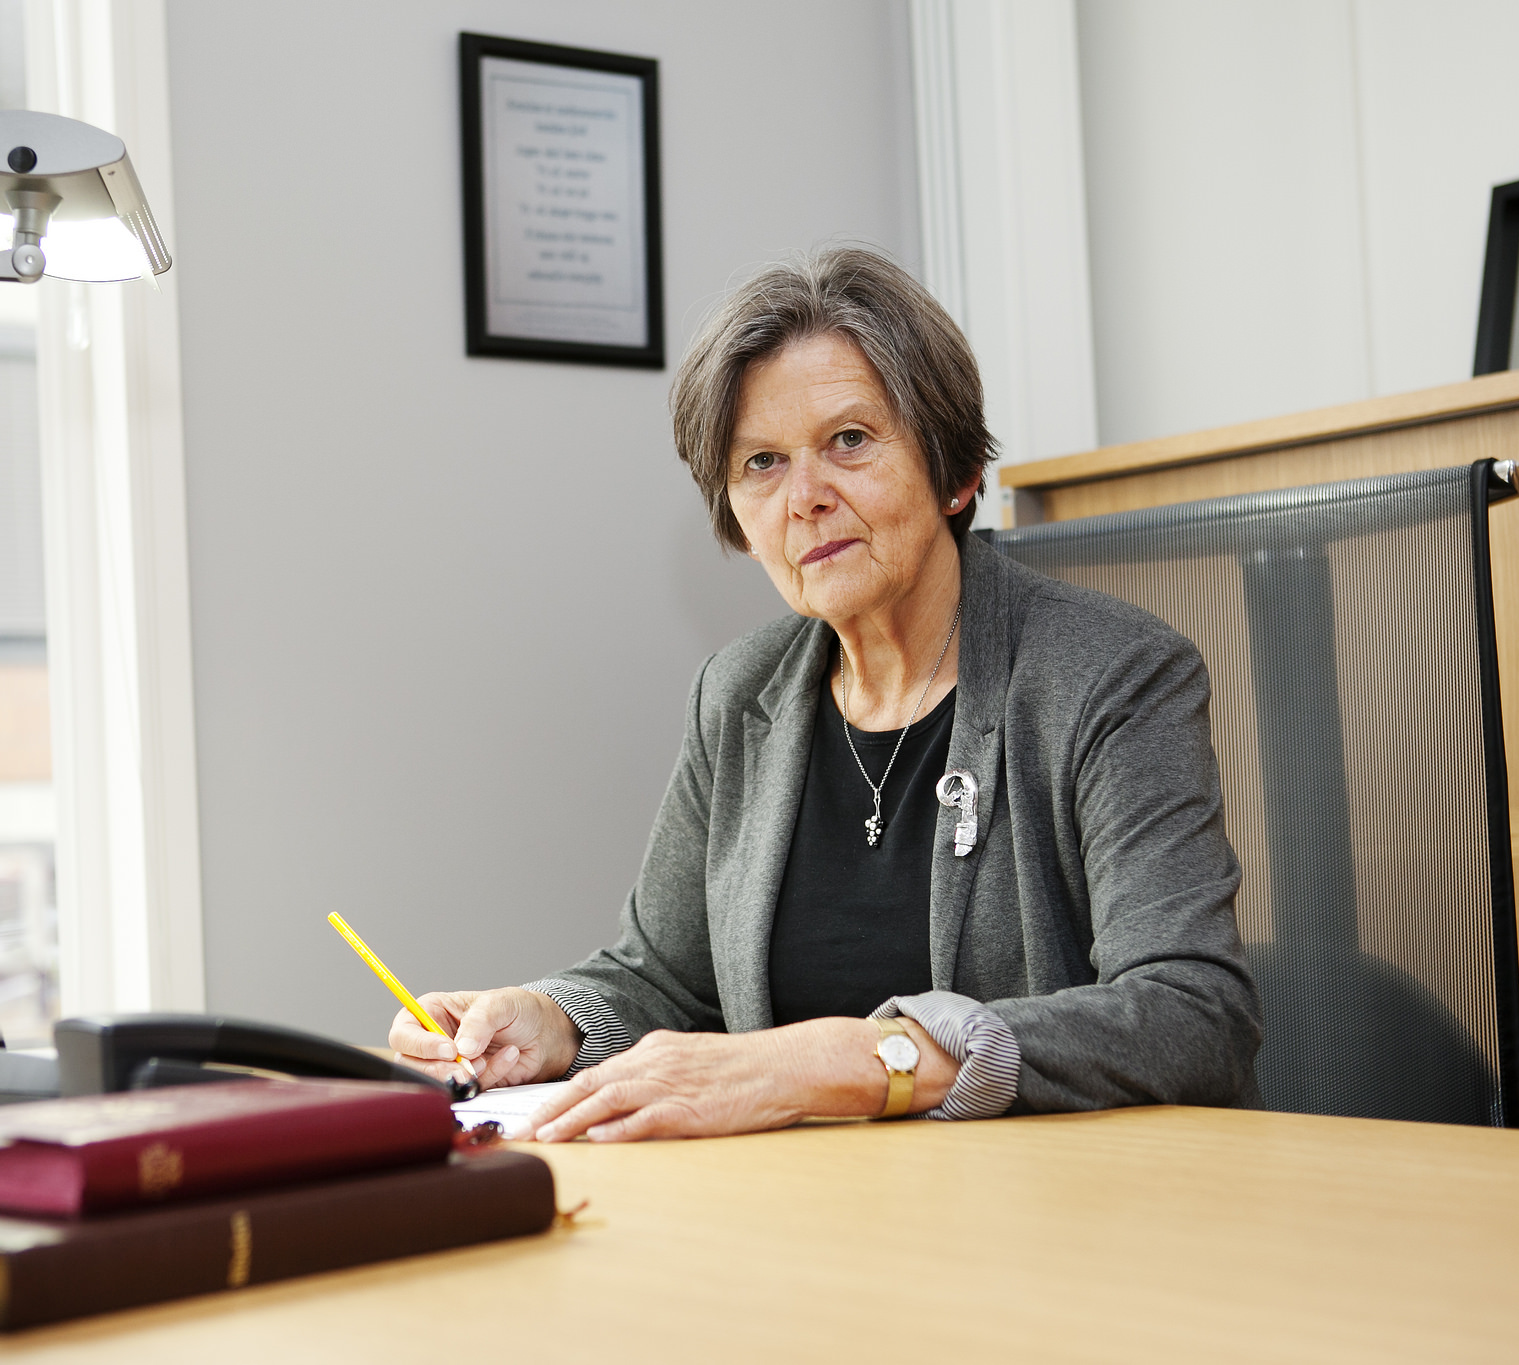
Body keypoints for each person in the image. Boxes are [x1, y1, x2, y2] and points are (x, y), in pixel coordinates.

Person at [392, 247, 1260, 1141]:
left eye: (849, 440)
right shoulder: (738, 695)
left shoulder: (1112, 675)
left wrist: (851, 1060)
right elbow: (662, 974)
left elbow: (1192, 1014)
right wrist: (549, 1019)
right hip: (809, 1215)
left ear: (955, 472)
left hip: (1054, 1216)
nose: (804, 497)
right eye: (761, 462)